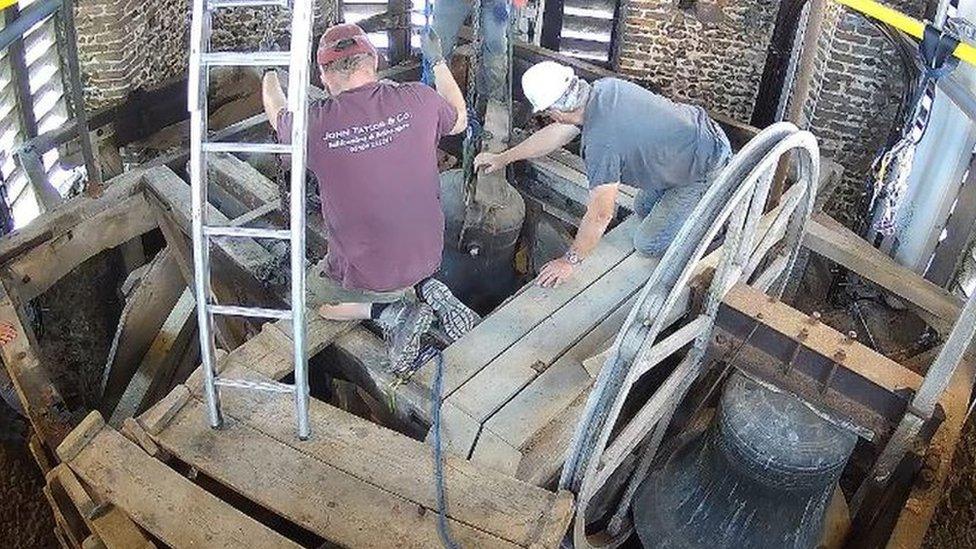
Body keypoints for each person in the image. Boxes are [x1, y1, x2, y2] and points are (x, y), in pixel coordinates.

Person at [262, 23, 480, 373]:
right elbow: (460, 120)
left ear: (322, 75)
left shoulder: (314, 124)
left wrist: (269, 71)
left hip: (373, 272)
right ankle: (424, 287)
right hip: (427, 253)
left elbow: (276, 113)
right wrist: (438, 61)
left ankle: (390, 312)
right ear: (375, 60)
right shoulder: (419, 99)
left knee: (314, 301)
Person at [474, 61, 733, 288]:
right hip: (686, 144)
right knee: (642, 208)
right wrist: (502, 159)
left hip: (705, 166)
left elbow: (601, 214)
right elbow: (555, 135)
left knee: (647, 243)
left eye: (547, 112)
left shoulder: (601, 146)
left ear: (557, 111)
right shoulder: (605, 90)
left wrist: (570, 260)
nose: (550, 118)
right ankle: (680, 194)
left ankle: (713, 227)